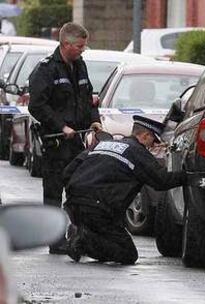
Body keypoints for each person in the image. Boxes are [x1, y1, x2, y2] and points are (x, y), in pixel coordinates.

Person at [63, 115, 186, 265]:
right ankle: (82, 240)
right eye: (153, 141)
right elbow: (161, 181)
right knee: (127, 254)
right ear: (146, 135)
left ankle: (80, 233)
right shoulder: (137, 151)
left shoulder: (103, 144)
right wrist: (189, 176)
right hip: (99, 210)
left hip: (74, 205)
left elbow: (68, 172)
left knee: (105, 238)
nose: (153, 146)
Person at [28, 22, 102, 254]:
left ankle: (77, 236)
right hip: (56, 141)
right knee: (53, 193)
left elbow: (88, 97)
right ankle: (55, 240)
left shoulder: (80, 66)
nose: (83, 49)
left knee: (79, 189)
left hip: (77, 142)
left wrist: (95, 119)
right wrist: (61, 126)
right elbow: (36, 106)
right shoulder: (46, 70)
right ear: (66, 44)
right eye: (79, 46)